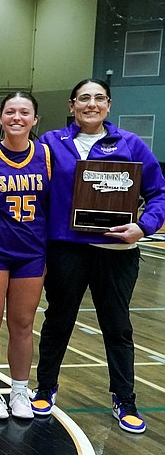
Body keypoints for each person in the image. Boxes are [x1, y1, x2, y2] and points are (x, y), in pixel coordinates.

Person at [30, 79, 165, 433]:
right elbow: (26, 184)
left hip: (117, 251)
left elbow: (159, 194)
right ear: (72, 105)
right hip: (66, 248)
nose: (91, 104)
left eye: (99, 98)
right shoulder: (49, 144)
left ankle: (125, 398)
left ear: (109, 105)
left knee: (117, 326)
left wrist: (143, 227)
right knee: (58, 320)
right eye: (84, 98)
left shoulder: (131, 144)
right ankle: (45, 388)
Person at [0, 91, 50, 420]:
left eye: (24, 112)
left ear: (34, 120)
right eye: (10, 112)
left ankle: (18, 390)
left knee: (23, 324)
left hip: (31, 251)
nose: (17, 117)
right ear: (1, 117)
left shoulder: (47, 155)